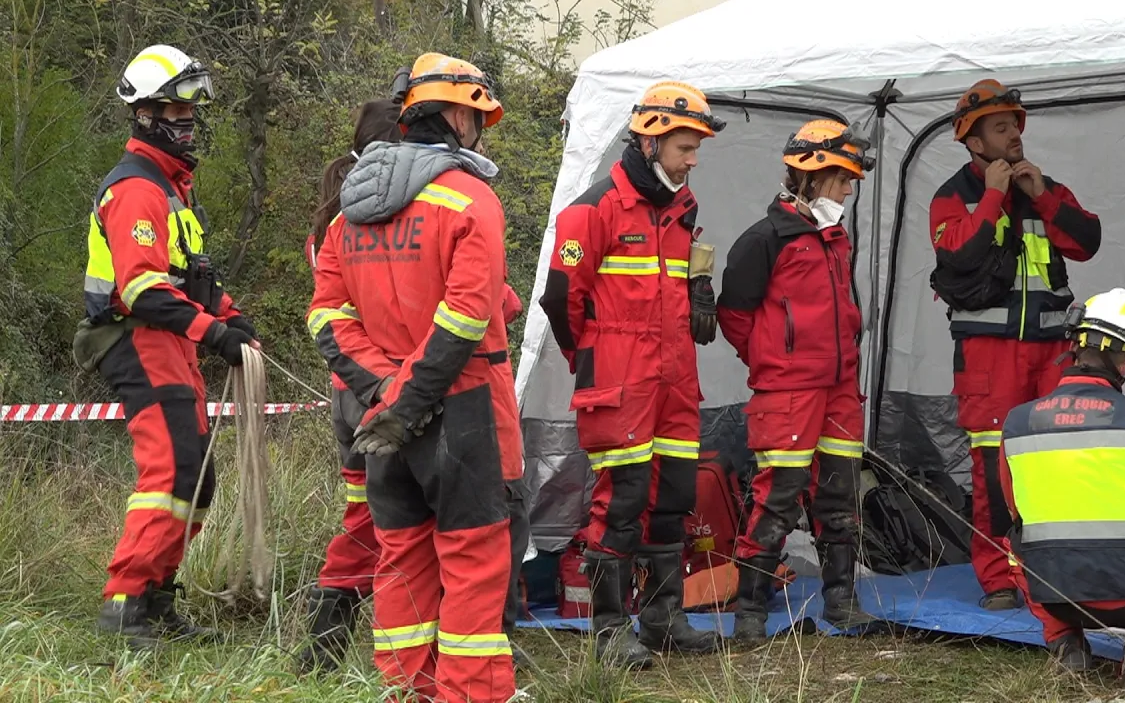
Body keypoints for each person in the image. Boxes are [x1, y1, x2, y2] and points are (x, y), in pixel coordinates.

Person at [308, 53, 517, 701]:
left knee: (400, 565)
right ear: (458, 114)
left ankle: (405, 693)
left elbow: (325, 317)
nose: (480, 129)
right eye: (478, 116)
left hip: (382, 423)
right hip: (466, 412)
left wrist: (385, 394)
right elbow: (466, 314)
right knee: (474, 569)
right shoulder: (469, 199)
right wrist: (416, 396)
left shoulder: (348, 217)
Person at [76, 44, 258, 648]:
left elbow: (190, 276)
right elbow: (144, 290)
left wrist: (233, 318)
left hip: (170, 339)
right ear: (146, 113)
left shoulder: (175, 190)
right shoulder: (136, 189)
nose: (189, 122)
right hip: (136, 337)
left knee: (197, 476)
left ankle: (158, 597)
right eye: (179, 111)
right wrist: (216, 334)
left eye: (191, 111)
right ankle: (125, 605)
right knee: (172, 469)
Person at [538, 80, 724, 668]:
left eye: (697, 147)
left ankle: (663, 620)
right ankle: (610, 632)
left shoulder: (682, 207)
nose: (693, 159)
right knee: (622, 503)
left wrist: (699, 291)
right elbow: (560, 299)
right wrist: (589, 358)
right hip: (620, 380)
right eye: (685, 147)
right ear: (649, 142)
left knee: (672, 497)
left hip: (674, 380)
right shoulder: (592, 210)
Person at [928, 78, 1102, 610]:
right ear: (974, 142)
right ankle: (1000, 577)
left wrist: (1041, 195)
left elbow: (1088, 241)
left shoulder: (1044, 188)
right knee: (992, 467)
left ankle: (1052, 574)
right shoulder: (951, 197)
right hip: (989, 354)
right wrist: (997, 196)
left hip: (1052, 351)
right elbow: (958, 254)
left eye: (1015, 125)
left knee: (1056, 458)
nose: (1014, 135)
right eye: (1000, 128)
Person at [717, 119, 877, 642]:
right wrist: (775, 361)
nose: (849, 189)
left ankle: (842, 601)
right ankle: (750, 612)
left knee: (839, 494)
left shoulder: (834, 237)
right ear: (810, 176)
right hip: (789, 393)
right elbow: (736, 316)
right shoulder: (765, 239)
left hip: (839, 389)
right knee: (777, 496)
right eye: (842, 178)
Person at [998, 288, 1125, 688]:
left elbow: (1016, 514)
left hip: (1056, 590)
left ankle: (1065, 642)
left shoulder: (1016, 424)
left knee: (1017, 548)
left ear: (1074, 347)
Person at [299, 98, 402, 674]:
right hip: (376, 388)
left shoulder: (334, 219)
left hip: (350, 388)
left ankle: (327, 643)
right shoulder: (368, 222)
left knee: (368, 515)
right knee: (382, 520)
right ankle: (328, 643)